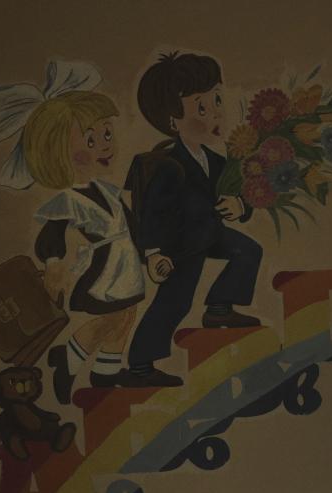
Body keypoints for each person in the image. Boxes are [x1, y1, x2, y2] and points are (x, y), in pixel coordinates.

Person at [0, 62, 145, 404]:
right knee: (109, 316)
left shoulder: (107, 191)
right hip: (103, 269)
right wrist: (54, 263)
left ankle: (107, 371)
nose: (104, 146)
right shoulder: (68, 200)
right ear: (59, 153)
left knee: (127, 316)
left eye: (106, 134)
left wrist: (147, 251)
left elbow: (130, 224)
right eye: (91, 139)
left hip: (126, 264)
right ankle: (68, 358)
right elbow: (49, 238)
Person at [125, 52, 263, 387]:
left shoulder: (212, 159)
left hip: (209, 233)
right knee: (174, 302)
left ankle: (218, 308)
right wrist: (155, 253)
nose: (216, 111)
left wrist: (240, 205)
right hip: (180, 246)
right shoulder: (168, 165)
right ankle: (141, 365)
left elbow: (234, 190)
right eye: (201, 107)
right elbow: (153, 213)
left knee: (248, 251)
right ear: (173, 121)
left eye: (217, 100)